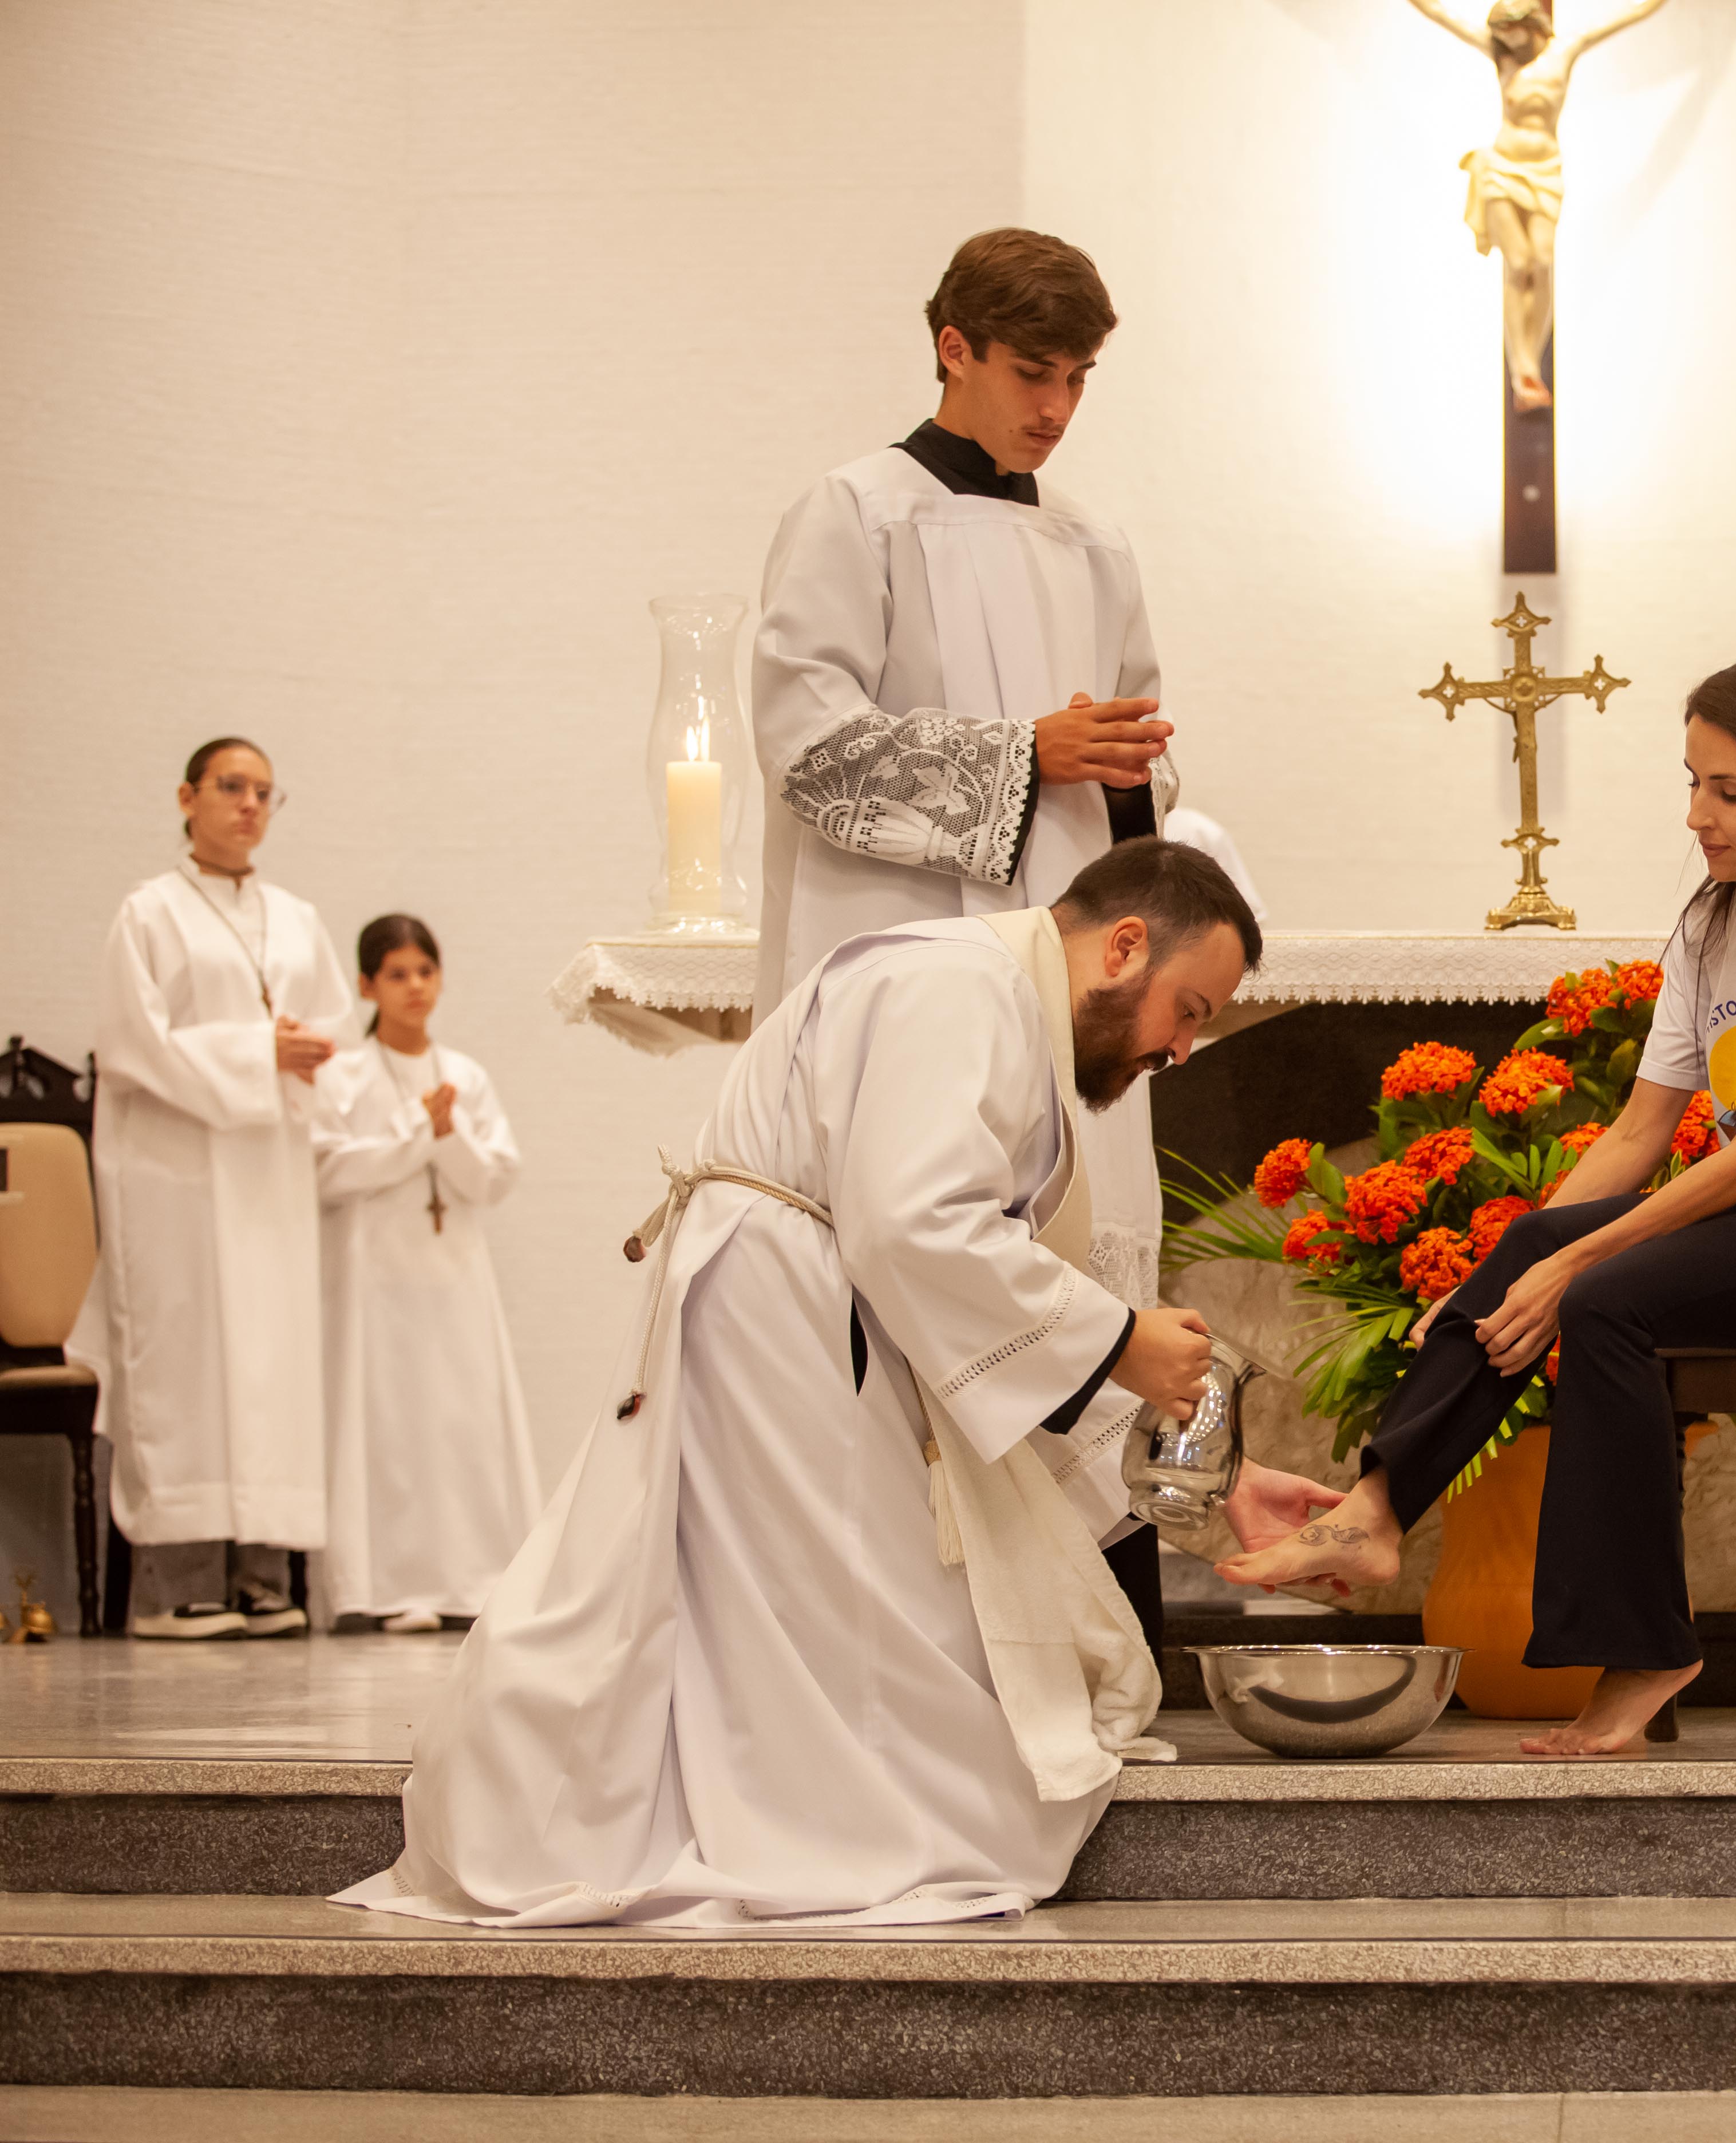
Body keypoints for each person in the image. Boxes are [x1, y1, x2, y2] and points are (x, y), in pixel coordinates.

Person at [341, 841, 1340, 1928]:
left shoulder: (991, 997)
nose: (1182, 1049)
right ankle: (803, 1833)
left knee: (798, 1621)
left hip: (807, 1304)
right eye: (1188, 1010)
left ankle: (765, 1815)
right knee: (849, 1640)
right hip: (789, 1314)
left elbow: (951, 1265)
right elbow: (913, 1228)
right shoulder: (959, 985)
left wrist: (1221, 1476)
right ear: (1126, 945)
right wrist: (1117, 1337)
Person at [1219, 654, 1736, 1754]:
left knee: (1601, 1297)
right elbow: (1638, 1135)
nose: (1697, 816)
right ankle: (1375, 1511)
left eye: (1729, 791)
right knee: (1540, 1238)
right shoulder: (1714, 926)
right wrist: (1510, 1264)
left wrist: (1567, 1270)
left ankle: (1643, 1651)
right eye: (1693, 782)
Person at [753, 225, 1192, 1645]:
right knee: (925, 1238)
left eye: (1078, 378)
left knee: (1075, 1243)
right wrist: (1022, 753)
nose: (1055, 407)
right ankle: (918, 1655)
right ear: (954, 349)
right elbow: (807, 748)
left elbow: (1140, 759)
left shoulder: (1094, 543)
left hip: (1068, 981)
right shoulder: (854, 513)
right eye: (1029, 372)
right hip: (911, 973)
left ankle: (1097, 1647)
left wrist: (1126, 786)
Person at [69, 738, 350, 1639]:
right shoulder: (149, 913)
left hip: (269, 1175)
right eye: (232, 786)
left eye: (266, 791)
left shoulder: (297, 920)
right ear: (187, 798)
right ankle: (173, 1585)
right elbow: (132, 1043)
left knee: (268, 1363)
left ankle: (260, 1575)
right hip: (176, 1176)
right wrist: (258, 1051)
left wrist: (301, 1055)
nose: (250, 804)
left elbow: (335, 1043)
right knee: (187, 1362)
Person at [310, 916, 541, 1634]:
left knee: (460, 1422)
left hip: (454, 1276)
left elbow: (495, 1178)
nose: (415, 987)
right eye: (397, 974)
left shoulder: (464, 1076)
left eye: (425, 972)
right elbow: (328, 1170)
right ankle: (383, 1585)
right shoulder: (343, 1074)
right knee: (387, 1424)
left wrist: (446, 1132)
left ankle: (473, 1579)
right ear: (366, 985)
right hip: (375, 1281)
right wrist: (419, 1132)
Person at [1404, 0, 1674, 409]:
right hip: (1501, 169)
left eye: (1511, 31)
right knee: (1517, 263)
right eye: (1500, 34)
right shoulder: (1501, 56)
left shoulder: (1564, 52)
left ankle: (1533, 355)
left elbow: (1625, 17)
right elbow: (1444, 15)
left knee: (1543, 262)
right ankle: (1523, 370)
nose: (1506, 40)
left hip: (1545, 170)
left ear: (1531, 25)